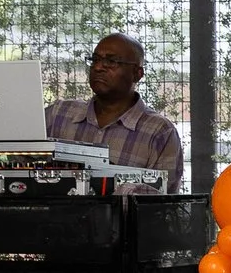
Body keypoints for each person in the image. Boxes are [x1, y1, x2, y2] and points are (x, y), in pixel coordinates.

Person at [45, 31, 183, 192]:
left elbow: (163, 199)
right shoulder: (58, 114)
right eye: (95, 60)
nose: (98, 67)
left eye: (111, 62)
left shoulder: (159, 132)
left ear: (137, 74)